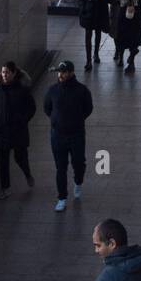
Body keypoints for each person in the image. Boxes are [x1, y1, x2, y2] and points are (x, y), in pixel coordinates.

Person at [43, 59, 94, 212]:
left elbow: (88, 108)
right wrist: (56, 121)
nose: (60, 75)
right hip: (57, 135)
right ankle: (62, 198)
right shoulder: (52, 90)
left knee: (78, 163)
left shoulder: (82, 91)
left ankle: (78, 182)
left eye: (63, 72)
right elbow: (47, 108)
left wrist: (76, 120)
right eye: (59, 72)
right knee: (61, 167)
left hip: (76, 135)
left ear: (71, 73)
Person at [0, 61, 36, 200]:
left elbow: (31, 108)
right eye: (3, 72)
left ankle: (27, 174)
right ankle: (5, 188)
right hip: (2, 131)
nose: (4, 75)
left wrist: (22, 120)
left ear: (14, 73)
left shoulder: (22, 89)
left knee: (20, 157)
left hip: (18, 131)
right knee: (2, 161)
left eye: (7, 72)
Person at [78, 0, 115, 71]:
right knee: (88, 36)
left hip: (100, 13)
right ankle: (88, 60)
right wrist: (83, 9)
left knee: (98, 34)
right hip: (89, 14)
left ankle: (96, 54)